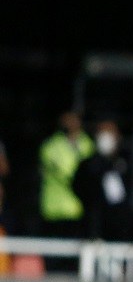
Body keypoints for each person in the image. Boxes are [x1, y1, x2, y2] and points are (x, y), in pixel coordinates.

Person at [38, 109, 94, 272]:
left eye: (74, 119)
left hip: (78, 209)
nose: (71, 123)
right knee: (53, 258)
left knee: (75, 259)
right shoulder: (50, 146)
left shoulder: (88, 144)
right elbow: (66, 173)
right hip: (54, 210)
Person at [73, 119, 133, 243]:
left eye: (110, 134)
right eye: (102, 134)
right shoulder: (87, 165)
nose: (106, 138)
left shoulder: (124, 164)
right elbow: (81, 190)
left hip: (120, 231)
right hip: (94, 231)